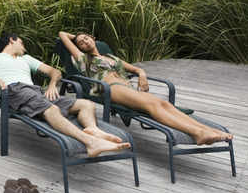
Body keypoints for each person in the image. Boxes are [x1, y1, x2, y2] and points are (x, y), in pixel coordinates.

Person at [0, 33, 131, 158]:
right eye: (21, 43)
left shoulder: (26, 59)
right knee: (51, 109)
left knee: (86, 104)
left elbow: (55, 71)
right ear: (11, 40)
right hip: (14, 90)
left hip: (36, 91)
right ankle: (90, 142)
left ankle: (94, 130)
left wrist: (52, 85)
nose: (24, 47)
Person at [58, 31, 233, 146]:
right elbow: (62, 35)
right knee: (153, 106)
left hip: (129, 88)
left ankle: (206, 129)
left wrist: (142, 74)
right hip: (111, 88)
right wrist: (76, 37)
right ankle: (196, 133)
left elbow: (135, 69)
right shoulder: (83, 59)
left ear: (93, 38)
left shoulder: (111, 57)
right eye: (81, 42)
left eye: (87, 38)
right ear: (79, 48)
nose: (85, 42)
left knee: (165, 104)